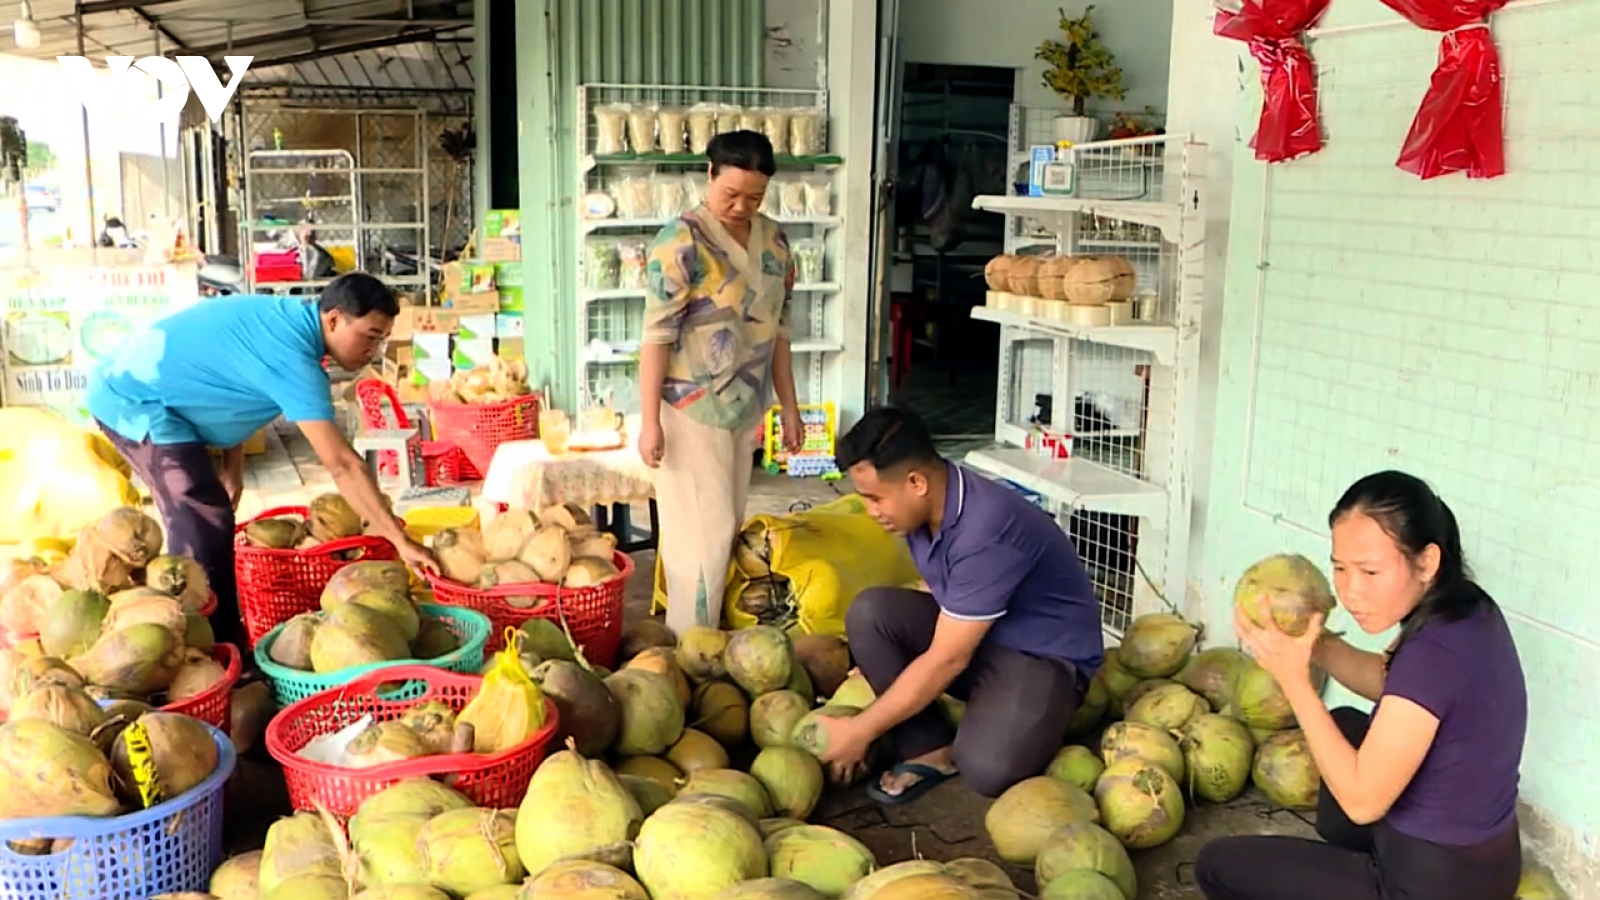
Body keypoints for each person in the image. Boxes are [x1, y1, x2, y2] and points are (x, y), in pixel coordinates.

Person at [1195, 470, 1525, 900]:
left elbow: (1362, 803)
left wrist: (1295, 682)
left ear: (1426, 561)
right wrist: (1314, 644)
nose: (1352, 592)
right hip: (1489, 864)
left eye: (1370, 572)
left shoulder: (1432, 655)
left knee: (1217, 865)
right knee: (1348, 723)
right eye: (1340, 568)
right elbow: (1392, 686)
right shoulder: (1466, 609)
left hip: (1428, 884)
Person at [86, 272, 440, 650]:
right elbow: (343, 465)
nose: (373, 351)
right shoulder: (294, 358)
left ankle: (209, 636)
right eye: (369, 336)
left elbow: (236, 384)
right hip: (132, 398)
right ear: (334, 319)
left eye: (381, 340)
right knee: (202, 519)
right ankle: (211, 649)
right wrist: (399, 540)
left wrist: (232, 466)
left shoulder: (291, 321)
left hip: (156, 395)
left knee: (210, 514)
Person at [812, 406, 1104, 803]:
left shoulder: (987, 527)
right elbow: (951, 589)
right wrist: (887, 658)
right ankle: (929, 747)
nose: (871, 511)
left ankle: (1018, 719)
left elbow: (948, 659)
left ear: (916, 483)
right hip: (985, 639)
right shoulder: (923, 511)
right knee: (871, 614)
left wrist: (859, 731)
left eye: (875, 498)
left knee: (987, 768)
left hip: (1043, 658)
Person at [637, 129, 803, 635]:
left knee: (725, 528)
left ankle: (701, 642)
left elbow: (778, 332)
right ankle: (691, 648)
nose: (740, 206)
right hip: (688, 409)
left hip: (744, 407)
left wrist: (789, 408)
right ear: (708, 174)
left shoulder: (774, 239)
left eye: (754, 197)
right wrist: (649, 423)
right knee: (699, 539)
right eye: (730, 194)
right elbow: (655, 337)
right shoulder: (680, 241)